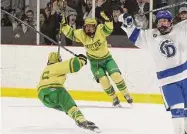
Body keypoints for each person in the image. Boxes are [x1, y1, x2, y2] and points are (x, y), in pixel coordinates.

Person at [118, 10, 187, 134]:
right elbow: (134, 35)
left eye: (165, 21)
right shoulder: (150, 36)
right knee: (177, 111)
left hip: (185, 77)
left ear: (171, 22)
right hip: (168, 81)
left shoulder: (182, 28)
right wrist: (126, 18)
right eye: (160, 21)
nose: (162, 24)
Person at [60, 11, 133, 107]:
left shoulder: (100, 30)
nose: (88, 28)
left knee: (116, 75)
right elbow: (70, 33)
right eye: (86, 26)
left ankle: (126, 94)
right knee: (103, 81)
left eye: (91, 26)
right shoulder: (81, 34)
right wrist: (63, 24)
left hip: (107, 59)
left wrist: (108, 20)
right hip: (95, 63)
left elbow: (109, 29)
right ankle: (114, 98)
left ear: (95, 26)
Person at [37, 52, 100, 133]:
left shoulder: (45, 70)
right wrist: (81, 60)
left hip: (43, 98)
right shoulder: (55, 66)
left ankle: (78, 118)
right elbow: (74, 65)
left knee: (68, 108)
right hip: (54, 91)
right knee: (67, 101)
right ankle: (81, 120)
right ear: (58, 60)